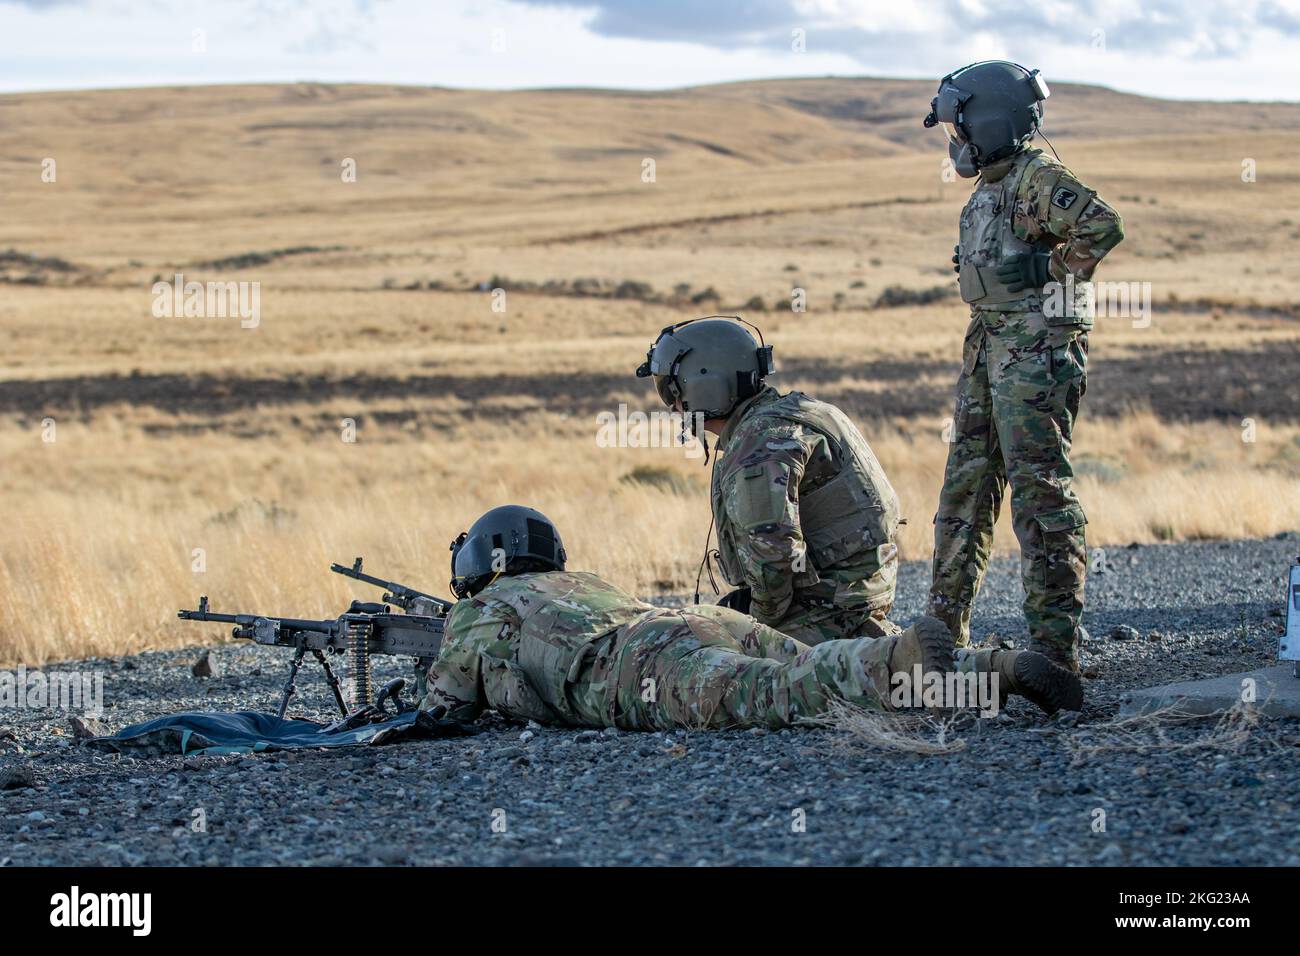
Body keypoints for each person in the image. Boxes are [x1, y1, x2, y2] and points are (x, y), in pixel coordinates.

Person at [418, 505, 1084, 729]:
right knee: (807, 666)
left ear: (485, 560)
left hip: (635, 670)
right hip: (691, 622)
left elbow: (444, 707)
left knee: (786, 695)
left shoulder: (479, 610)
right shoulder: (577, 580)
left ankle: (901, 657)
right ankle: (998, 670)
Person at [922, 61, 1125, 673]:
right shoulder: (990, 185)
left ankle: (1055, 651)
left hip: (1037, 353)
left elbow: (1102, 226)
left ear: (991, 122)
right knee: (967, 487)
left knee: (1038, 490)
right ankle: (939, 636)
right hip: (989, 346)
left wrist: (1048, 272)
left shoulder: (1038, 178)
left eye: (960, 129)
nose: (955, 143)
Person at [636, 316, 900, 645]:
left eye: (671, 389)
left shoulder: (757, 446)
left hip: (828, 609)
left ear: (705, 384)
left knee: (693, 658)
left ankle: (858, 661)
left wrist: (755, 625)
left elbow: (774, 559)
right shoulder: (801, 412)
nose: (672, 404)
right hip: (861, 594)